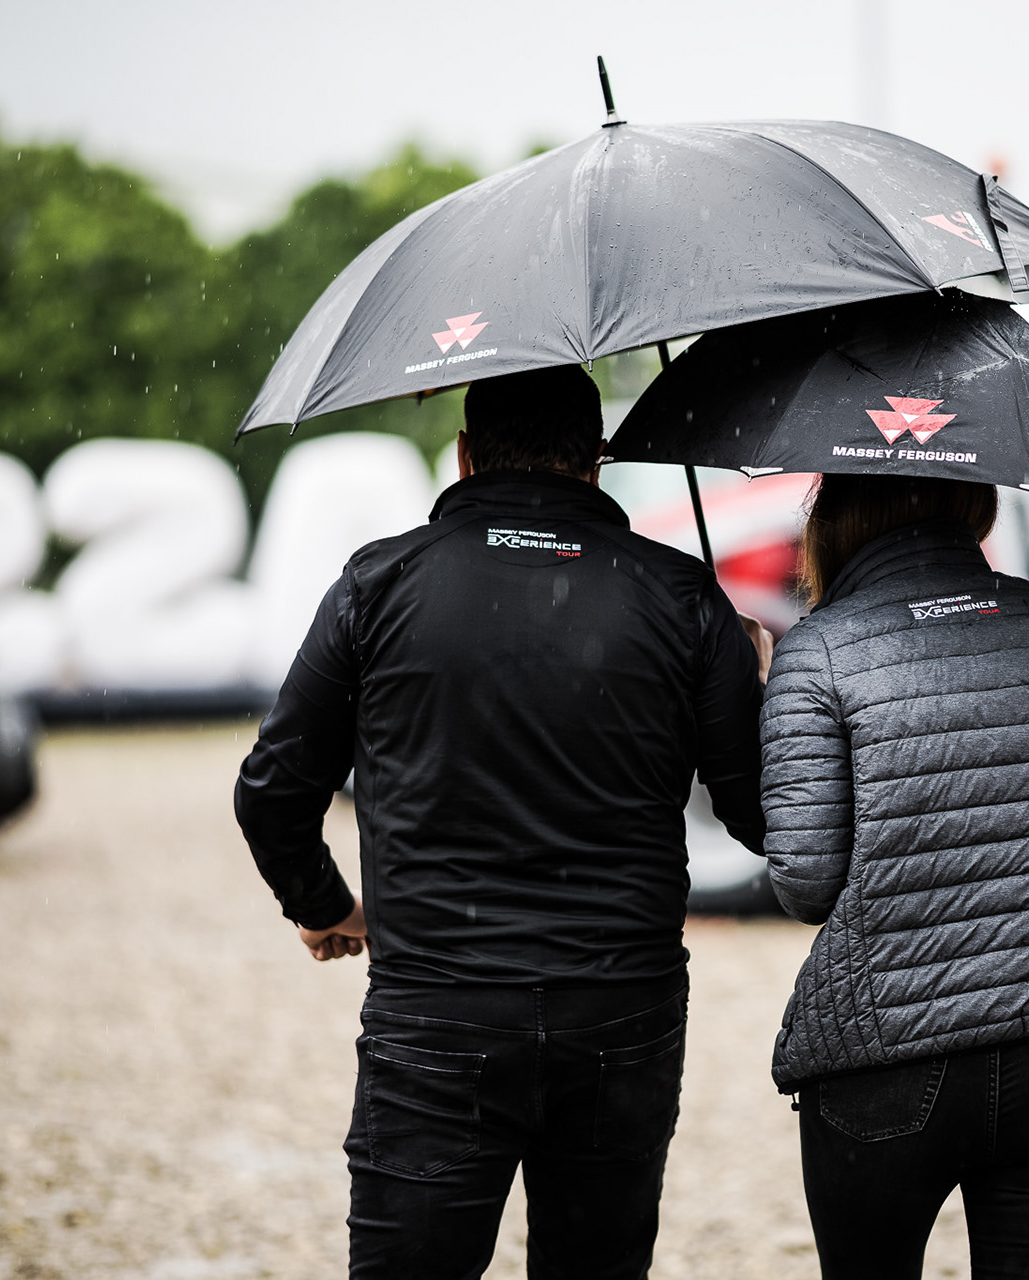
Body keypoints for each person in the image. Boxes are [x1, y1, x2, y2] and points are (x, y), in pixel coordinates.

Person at [234, 363, 771, 1279]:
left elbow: (272, 791)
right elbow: (760, 815)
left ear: (465, 456)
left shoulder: (378, 584)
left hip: (437, 1011)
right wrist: (752, 684)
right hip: (619, 1013)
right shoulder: (682, 596)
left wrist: (326, 905)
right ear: (596, 462)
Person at [758, 473, 1029, 1280]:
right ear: (977, 499)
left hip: (885, 1063)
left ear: (836, 514)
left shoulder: (818, 650)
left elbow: (806, 883)